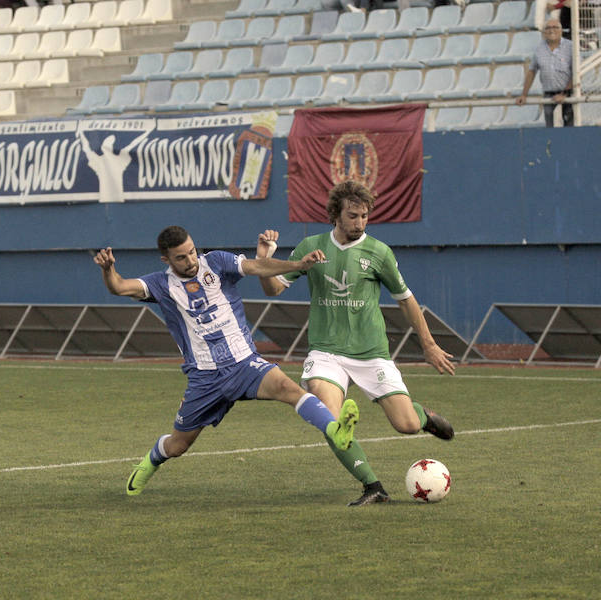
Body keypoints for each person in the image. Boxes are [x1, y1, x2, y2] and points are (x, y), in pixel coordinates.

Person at [93, 225, 360, 497]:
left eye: (192, 252)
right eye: (181, 258)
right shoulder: (161, 285)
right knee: (178, 445)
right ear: (167, 260)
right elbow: (119, 286)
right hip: (204, 377)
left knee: (289, 389)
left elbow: (256, 267)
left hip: (244, 363)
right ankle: (151, 460)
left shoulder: (217, 262)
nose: (190, 261)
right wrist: (108, 269)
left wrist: (298, 264)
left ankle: (334, 429)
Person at [256, 181, 457, 507]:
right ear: (336, 214)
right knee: (329, 419)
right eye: (353, 216)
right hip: (326, 352)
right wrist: (264, 261)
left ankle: (423, 417)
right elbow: (273, 289)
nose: (360, 222)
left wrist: (429, 345)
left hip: (371, 353)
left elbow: (406, 300)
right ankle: (372, 486)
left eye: (364, 216)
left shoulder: (378, 252)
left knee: (405, 425)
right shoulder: (311, 245)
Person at [517, 18, 575, 128]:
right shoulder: (539, 49)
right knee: (549, 125)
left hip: (568, 93)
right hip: (548, 93)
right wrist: (524, 95)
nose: (551, 30)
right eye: (548, 28)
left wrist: (564, 93)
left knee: (569, 125)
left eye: (555, 27)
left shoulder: (571, 47)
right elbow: (531, 71)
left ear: (561, 30)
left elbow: (576, 72)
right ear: (544, 32)